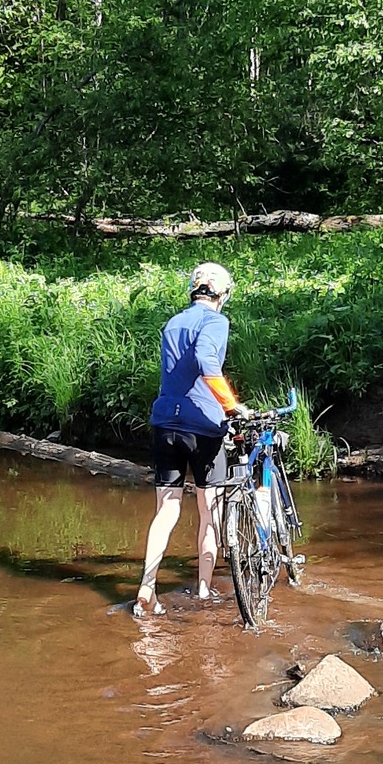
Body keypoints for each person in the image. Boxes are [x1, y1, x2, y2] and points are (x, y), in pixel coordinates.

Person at [135, 261, 243, 618]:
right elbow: (206, 361)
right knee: (208, 512)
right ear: (223, 294)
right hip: (204, 428)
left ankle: (147, 588)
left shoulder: (173, 322)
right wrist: (232, 406)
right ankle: (203, 588)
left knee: (166, 510)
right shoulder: (217, 321)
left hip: (166, 423)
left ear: (193, 290)